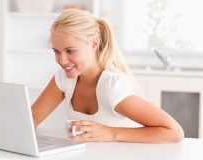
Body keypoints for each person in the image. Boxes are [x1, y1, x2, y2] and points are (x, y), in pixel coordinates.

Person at [32, 9, 184, 143]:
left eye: (70, 51)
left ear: (93, 44)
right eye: (56, 51)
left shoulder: (111, 86)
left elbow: (174, 132)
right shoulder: (64, 78)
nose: (61, 60)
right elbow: (31, 118)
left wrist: (111, 133)